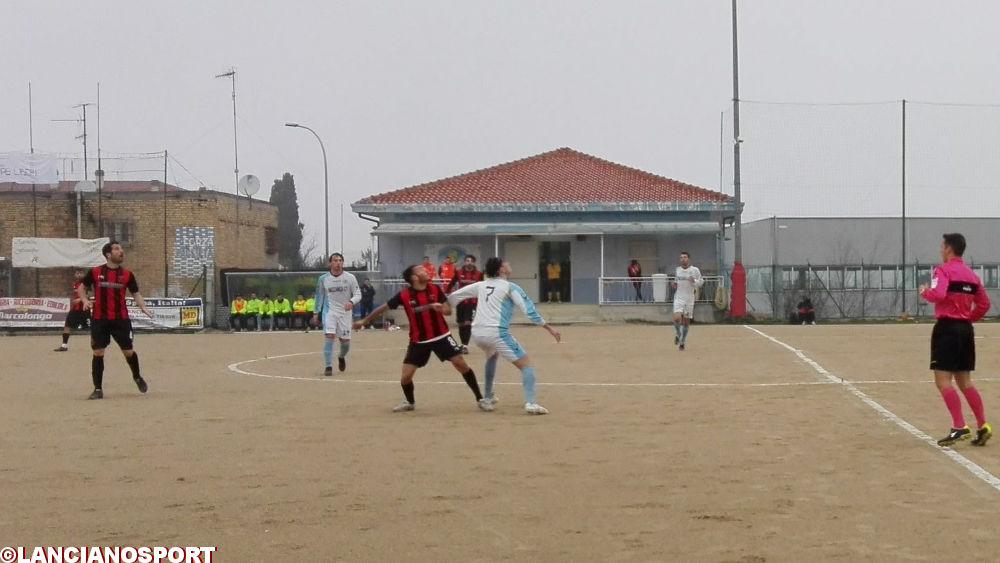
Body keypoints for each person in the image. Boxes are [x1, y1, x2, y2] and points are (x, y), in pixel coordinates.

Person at [354, 264, 489, 412]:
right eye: (422, 270)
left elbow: (448, 311)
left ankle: (480, 398)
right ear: (414, 277)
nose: (426, 271)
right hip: (419, 341)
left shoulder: (435, 289)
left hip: (441, 336)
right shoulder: (404, 295)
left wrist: (442, 309)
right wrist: (364, 321)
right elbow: (382, 308)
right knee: (405, 377)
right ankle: (410, 402)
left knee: (460, 363)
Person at [448, 257, 561, 415]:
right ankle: (531, 403)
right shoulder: (510, 287)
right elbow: (529, 310)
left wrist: (442, 309)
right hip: (496, 332)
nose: (509, 264)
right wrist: (548, 328)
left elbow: (454, 296)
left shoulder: (481, 285)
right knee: (526, 365)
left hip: (477, 333)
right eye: (505, 263)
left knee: (492, 356)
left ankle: (487, 398)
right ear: (501, 269)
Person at [918, 233, 992, 447]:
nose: (940, 250)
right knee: (965, 381)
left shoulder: (942, 270)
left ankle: (959, 426)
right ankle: (982, 425)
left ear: (949, 249)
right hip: (965, 330)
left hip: (947, 329)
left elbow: (939, 294)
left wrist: (925, 291)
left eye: (942, 247)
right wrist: (968, 318)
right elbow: (984, 304)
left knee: (942, 381)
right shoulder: (971, 275)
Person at [78, 241, 152, 400]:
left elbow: (135, 293)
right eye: (117, 249)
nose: (121, 251)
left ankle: (137, 377)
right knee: (98, 352)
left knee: (128, 352)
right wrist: (84, 300)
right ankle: (97, 389)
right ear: (108, 254)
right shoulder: (96, 272)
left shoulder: (127, 274)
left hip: (121, 319)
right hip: (99, 319)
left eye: (122, 248)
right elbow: (82, 287)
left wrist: (142, 306)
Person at [313, 253, 362, 375]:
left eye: (340, 260)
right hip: (329, 312)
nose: (338, 263)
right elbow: (319, 296)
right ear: (330, 263)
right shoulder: (323, 279)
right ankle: (328, 367)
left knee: (345, 343)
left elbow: (358, 294)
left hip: (345, 313)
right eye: (335, 260)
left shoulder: (350, 278)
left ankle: (341, 356)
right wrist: (315, 312)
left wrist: (351, 301)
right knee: (330, 336)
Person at [446, 254, 484, 354]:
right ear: (464, 262)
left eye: (471, 261)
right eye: (467, 260)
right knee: (461, 323)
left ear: (474, 262)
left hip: (472, 303)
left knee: (468, 323)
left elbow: (483, 287)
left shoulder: (479, 274)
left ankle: (465, 346)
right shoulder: (458, 272)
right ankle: (462, 344)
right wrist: (446, 293)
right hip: (461, 302)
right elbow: (451, 283)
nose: (469, 262)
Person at [670, 251, 703, 351]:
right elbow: (676, 281)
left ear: (689, 259)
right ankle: (678, 334)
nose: (683, 259)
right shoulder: (678, 270)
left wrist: (695, 281)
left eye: (685, 257)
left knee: (686, 322)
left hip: (689, 299)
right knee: (676, 318)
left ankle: (682, 342)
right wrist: (674, 284)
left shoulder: (695, 270)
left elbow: (701, 282)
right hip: (679, 297)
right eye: (681, 257)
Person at [54, 267, 91, 352]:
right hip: (75, 309)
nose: (79, 275)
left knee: (93, 327)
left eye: (80, 273)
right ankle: (64, 345)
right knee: (67, 325)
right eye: (77, 273)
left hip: (84, 308)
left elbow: (91, 295)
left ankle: (98, 345)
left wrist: (81, 299)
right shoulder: (75, 284)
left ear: (84, 274)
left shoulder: (87, 283)